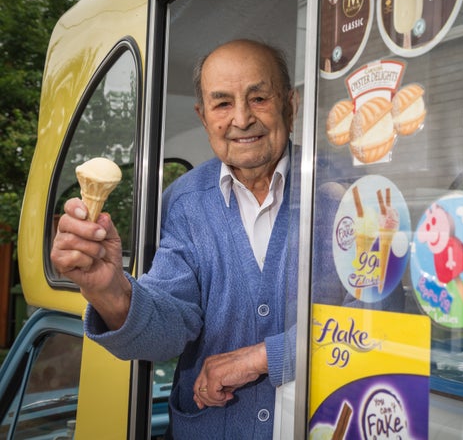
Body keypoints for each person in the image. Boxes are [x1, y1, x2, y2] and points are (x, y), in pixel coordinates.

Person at [51, 39, 302, 439]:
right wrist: (110, 290)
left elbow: (370, 327)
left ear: (291, 104)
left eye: (258, 98)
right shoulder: (184, 202)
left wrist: (265, 358)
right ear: (203, 118)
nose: (240, 118)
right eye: (222, 104)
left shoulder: (338, 190)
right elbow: (170, 324)